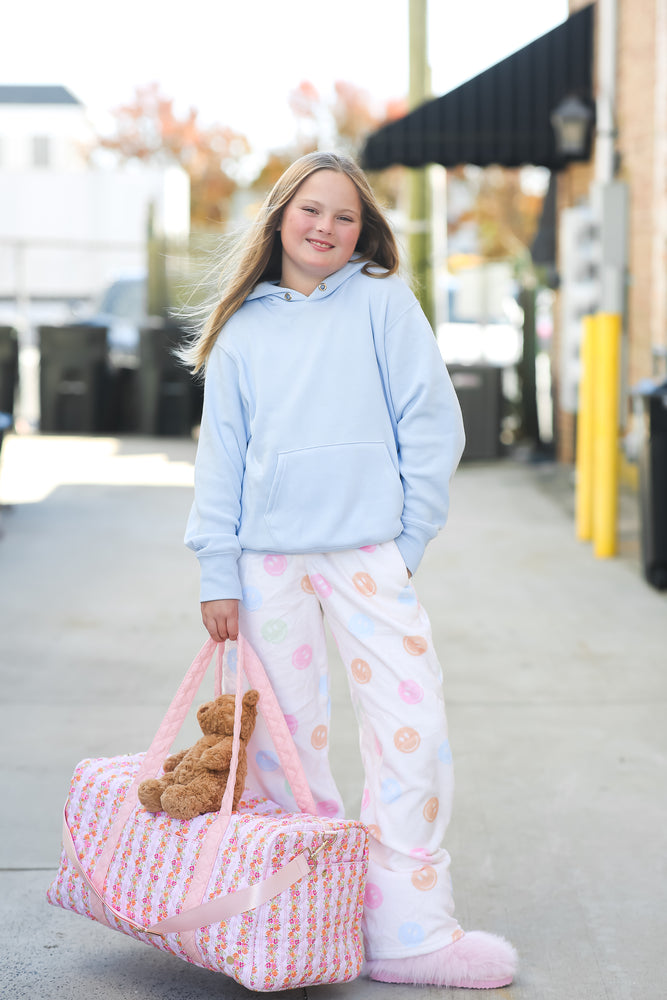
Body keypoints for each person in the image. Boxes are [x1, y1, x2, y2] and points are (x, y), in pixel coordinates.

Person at [184, 151, 518, 989]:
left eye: (344, 215)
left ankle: (409, 935)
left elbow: (430, 422)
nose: (325, 226)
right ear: (279, 217)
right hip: (265, 566)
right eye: (310, 209)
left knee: (413, 733)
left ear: (361, 230)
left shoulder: (380, 302)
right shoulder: (243, 329)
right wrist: (216, 569)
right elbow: (219, 455)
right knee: (284, 747)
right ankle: (305, 921)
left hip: (369, 555)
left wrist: (405, 542)